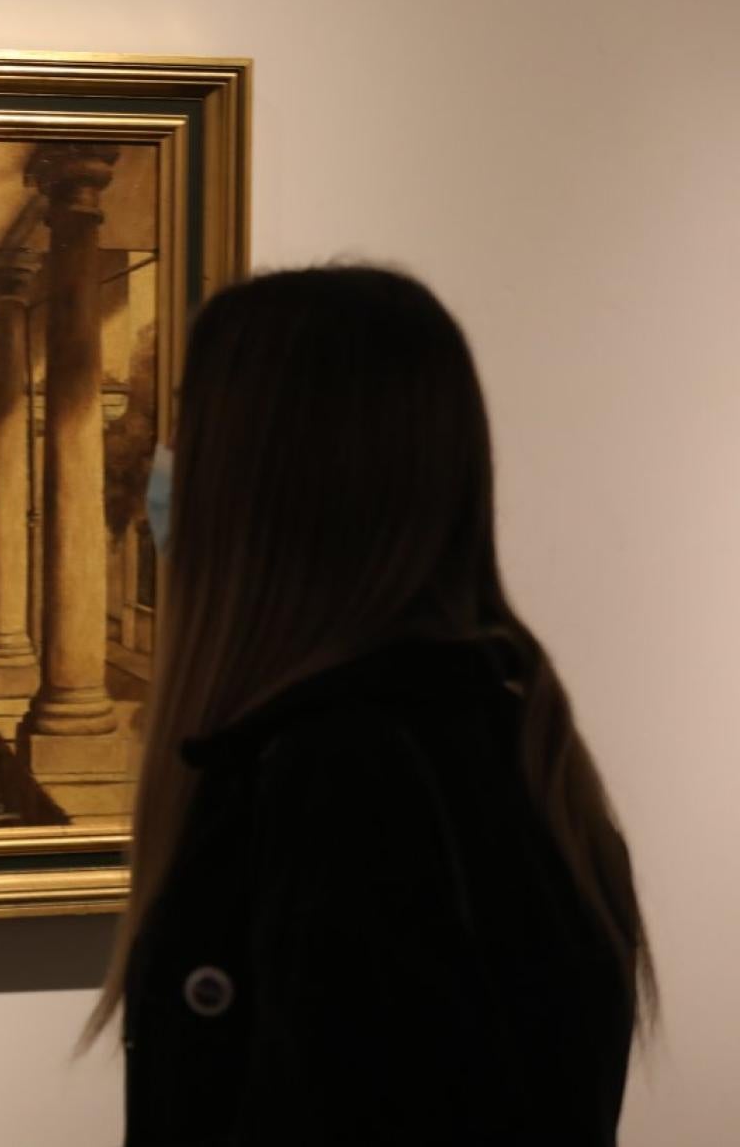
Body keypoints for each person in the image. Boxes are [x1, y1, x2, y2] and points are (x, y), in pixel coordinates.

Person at [93, 266, 654, 1145]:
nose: (162, 469)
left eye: (188, 431)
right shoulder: (503, 737)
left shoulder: (343, 783)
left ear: (265, 486)